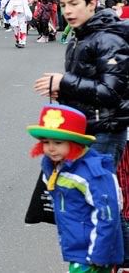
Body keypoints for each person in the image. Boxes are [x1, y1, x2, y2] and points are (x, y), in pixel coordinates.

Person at [33, 0, 129, 167]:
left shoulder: (108, 39)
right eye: (63, 5)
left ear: (92, 3)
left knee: (94, 193)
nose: (67, 11)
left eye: (74, 4)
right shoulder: (81, 36)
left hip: (104, 133)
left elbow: (111, 92)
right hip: (83, 129)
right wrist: (62, 90)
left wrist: (64, 82)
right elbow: (86, 85)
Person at [27, 104, 123, 272]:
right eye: (46, 142)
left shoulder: (91, 174)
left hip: (91, 252)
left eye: (58, 142)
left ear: (75, 143)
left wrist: (98, 254)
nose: (51, 148)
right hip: (77, 246)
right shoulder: (54, 165)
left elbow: (108, 214)